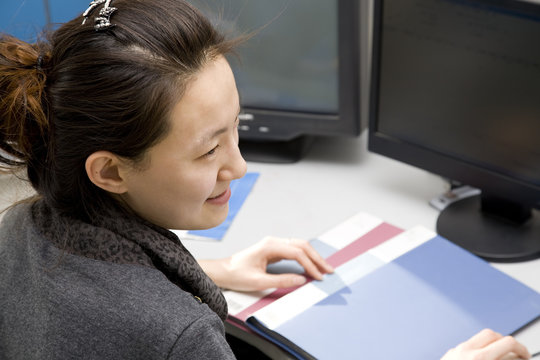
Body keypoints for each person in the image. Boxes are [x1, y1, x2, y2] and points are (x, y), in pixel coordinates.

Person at [0, 0, 531, 359]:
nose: (239, 167)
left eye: (234, 129)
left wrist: (214, 270)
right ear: (110, 171)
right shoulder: (178, 336)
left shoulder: (18, 226)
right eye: (209, 149)